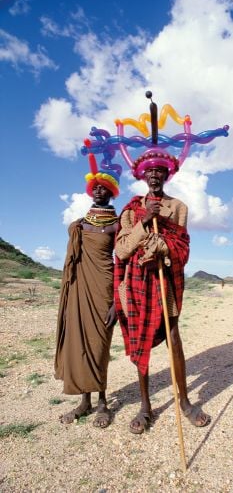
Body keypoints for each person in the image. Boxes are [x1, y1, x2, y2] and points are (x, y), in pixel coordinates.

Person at [114, 149, 211, 434]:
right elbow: (121, 250)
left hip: (164, 282)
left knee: (174, 339)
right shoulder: (131, 210)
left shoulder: (178, 207)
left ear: (166, 175)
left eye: (160, 171)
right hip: (135, 284)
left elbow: (182, 248)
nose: (154, 175)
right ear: (143, 176)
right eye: (150, 171)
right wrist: (144, 221)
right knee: (139, 341)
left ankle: (184, 402)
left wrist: (164, 249)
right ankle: (145, 407)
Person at [54, 151, 121, 428]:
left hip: (104, 291)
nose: (98, 192)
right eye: (95, 188)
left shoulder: (118, 225)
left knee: (99, 346)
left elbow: (124, 262)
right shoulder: (79, 225)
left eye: (103, 188)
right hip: (80, 291)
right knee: (80, 343)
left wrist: (118, 301)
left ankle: (103, 402)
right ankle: (84, 401)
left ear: (112, 192)